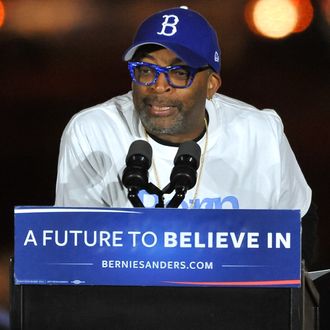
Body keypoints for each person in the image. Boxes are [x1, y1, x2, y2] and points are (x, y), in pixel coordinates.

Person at [55, 7, 317, 264]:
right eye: (146, 70)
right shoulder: (93, 132)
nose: (159, 87)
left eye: (180, 73)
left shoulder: (259, 133)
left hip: (236, 302)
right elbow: (77, 255)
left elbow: (299, 233)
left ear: (211, 85)